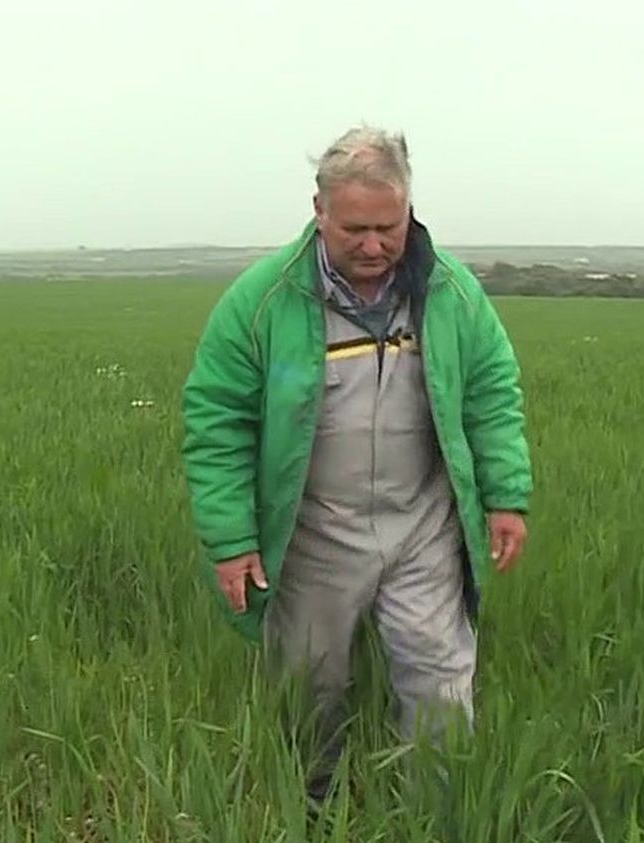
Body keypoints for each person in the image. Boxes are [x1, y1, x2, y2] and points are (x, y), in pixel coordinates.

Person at [179, 125, 533, 809]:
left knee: (438, 672)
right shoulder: (263, 301)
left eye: (387, 227)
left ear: (407, 211)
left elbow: (493, 392)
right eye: (354, 229)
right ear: (319, 212)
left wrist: (506, 494)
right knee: (309, 681)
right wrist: (231, 538)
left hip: (422, 523)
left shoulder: (450, 292)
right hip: (315, 528)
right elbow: (216, 418)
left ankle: (440, 810)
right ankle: (313, 807)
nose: (373, 246)